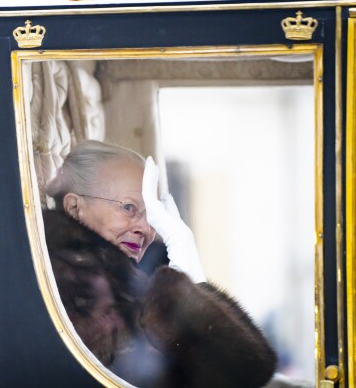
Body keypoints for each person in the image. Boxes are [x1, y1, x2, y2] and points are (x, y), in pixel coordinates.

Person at [44, 140, 277, 388]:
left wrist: (189, 281)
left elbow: (250, 369)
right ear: (74, 208)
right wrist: (182, 292)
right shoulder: (81, 286)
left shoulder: (122, 279)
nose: (146, 228)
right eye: (129, 207)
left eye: (151, 214)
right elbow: (241, 373)